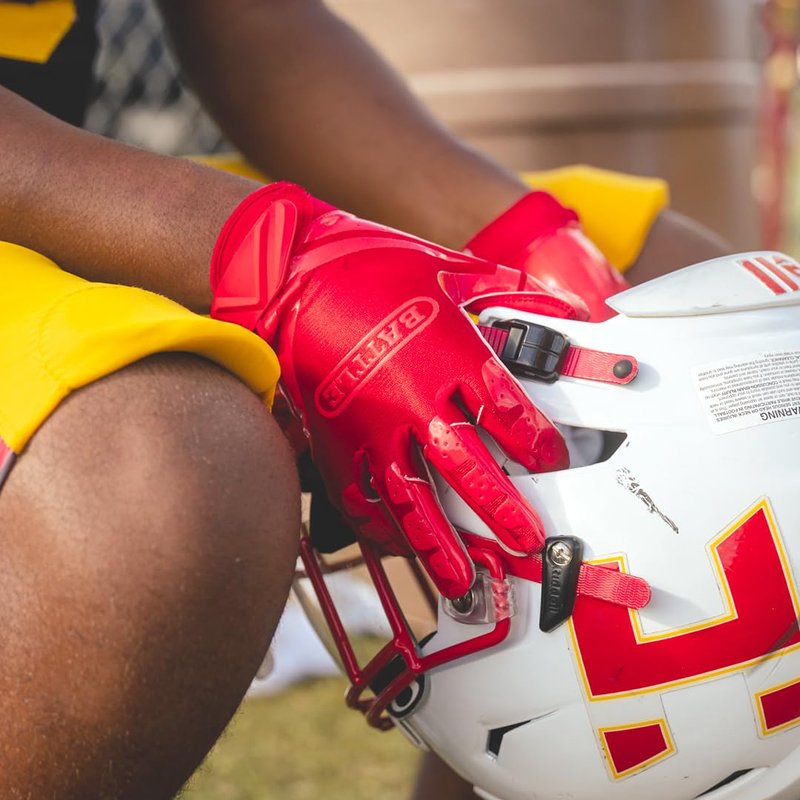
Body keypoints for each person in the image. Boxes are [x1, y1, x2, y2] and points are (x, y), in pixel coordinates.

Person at [0, 1, 730, 797]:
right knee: (169, 465)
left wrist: (518, 237)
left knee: (689, 314)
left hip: (52, 163)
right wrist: (278, 262)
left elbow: (248, 21)